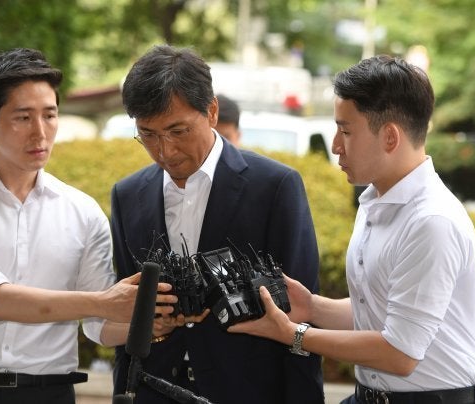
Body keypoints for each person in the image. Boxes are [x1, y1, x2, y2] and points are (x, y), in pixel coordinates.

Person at [0, 48, 175, 404]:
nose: (40, 132)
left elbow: (99, 326)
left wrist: (151, 322)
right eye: (22, 117)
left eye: (50, 115)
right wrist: (104, 302)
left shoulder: (83, 212)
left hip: (51, 393)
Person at [229, 55, 475, 404]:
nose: (335, 144)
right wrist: (313, 307)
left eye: (346, 130)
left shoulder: (431, 222)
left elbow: (399, 353)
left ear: (390, 137)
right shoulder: (375, 201)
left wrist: (294, 335)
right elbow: (383, 310)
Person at [111, 44, 323, 404]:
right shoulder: (127, 194)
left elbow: (303, 314)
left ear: (211, 111)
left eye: (178, 131)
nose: (164, 151)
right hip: (153, 390)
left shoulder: (274, 186)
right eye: (147, 134)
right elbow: (127, 310)